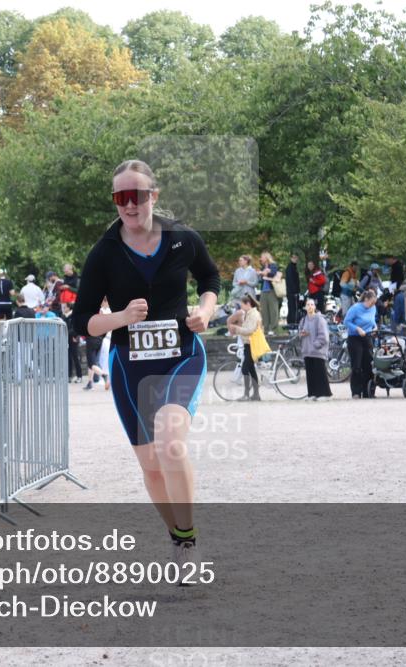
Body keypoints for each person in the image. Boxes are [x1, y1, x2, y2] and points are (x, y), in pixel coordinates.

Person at [72, 159, 220, 570]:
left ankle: (189, 544)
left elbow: (210, 280)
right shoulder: (104, 252)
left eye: (136, 196)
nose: (129, 205)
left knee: (171, 442)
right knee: (152, 465)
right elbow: (82, 321)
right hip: (130, 367)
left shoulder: (182, 237)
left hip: (181, 356)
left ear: (153, 196)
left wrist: (205, 312)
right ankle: (177, 537)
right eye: (120, 198)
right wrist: (120, 318)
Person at [228, 294, 263, 402]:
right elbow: (246, 329)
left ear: (247, 304)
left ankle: (248, 394)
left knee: (246, 368)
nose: (241, 308)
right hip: (248, 344)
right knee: (250, 369)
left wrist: (236, 329)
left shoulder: (253, 314)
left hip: (251, 344)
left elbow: (250, 330)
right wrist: (237, 330)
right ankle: (254, 394)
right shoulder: (250, 313)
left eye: (242, 305)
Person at [344, 289, 378, 399]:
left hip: (367, 337)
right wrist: (357, 329)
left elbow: (372, 320)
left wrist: (375, 327)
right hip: (355, 338)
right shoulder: (355, 308)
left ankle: (368, 391)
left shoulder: (372, 308)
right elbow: (346, 321)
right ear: (366, 299)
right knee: (357, 366)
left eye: (374, 303)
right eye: (371, 302)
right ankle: (356, 392)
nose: (372, 305)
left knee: (368, 364)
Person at [299, 298, 332, 400]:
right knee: (310, 374)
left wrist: (315, 345)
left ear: (315, 307)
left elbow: (324, 336)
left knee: (320, 373)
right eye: (308, 305)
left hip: (317, 351)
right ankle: (312, 394)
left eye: (312, 304)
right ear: (305, 307)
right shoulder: (303, 320)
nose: (310, 306)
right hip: (307, 351)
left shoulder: (319, 319)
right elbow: (300, 332)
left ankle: (325, 394)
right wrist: (302, 334)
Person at [258, 251, 282, 335]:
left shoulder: (273, 265)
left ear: (266, 257)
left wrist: (267, 272)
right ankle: (266, 328)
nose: (261, 258)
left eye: (262, 257)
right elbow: (260, 280)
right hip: (263, 290)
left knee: (273, 310)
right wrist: (261, 274)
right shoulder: (262, 267)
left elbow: (274, 274)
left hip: (272, 290)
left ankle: (273, 328)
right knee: (264, 310)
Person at [285, 253, 302, 327]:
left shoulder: (293, 267)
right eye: (294, 257)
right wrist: (295, 291)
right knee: (293, 308)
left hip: (292, 292)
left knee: (293, 308)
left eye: (296, 258)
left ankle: (292, 322)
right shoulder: (290, 268)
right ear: (291, 258)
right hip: (292, 293)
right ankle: (293, 323)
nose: (296, 259)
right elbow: (291, 281)